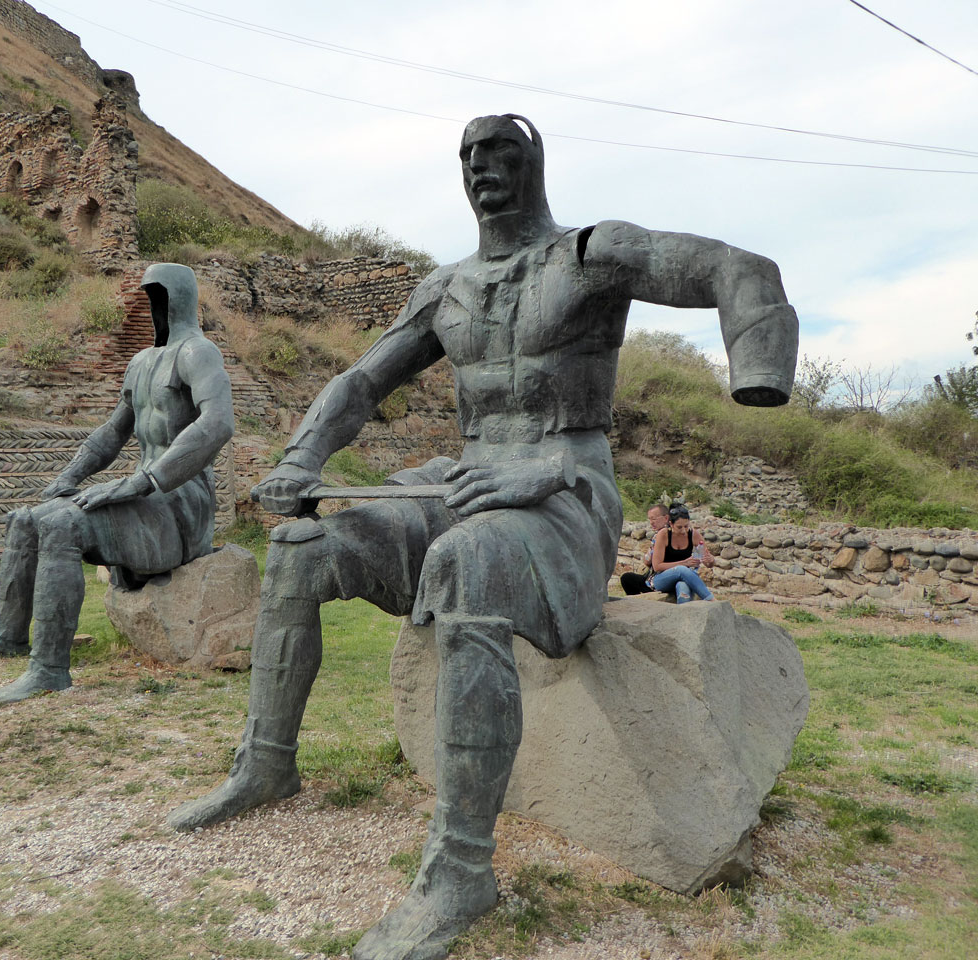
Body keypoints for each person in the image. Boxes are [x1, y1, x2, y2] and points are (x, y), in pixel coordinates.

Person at [169, 113, 798, 960]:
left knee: (466, 564)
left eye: (499, 152)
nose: (479, 168)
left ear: (533, 163)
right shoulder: (448, 289)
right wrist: (302, 455)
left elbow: (737, 268)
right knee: (301, 550)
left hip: (566, 493)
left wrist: (757, 370)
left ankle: (460, 870)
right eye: (467, 156)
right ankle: (265, 764)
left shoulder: (589, 255)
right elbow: (362, 381)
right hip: (463, 480)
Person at [0, 263, 234, 703]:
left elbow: (218, 424)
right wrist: (68, 477)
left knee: (63, 526)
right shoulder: (142, 361)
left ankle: (49, 669)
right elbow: (112, 431)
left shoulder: (199, 353)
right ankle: (8, 638)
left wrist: (142, 481)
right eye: (148, 297)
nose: (151, 306)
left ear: (176, 300)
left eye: (157, 296)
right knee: (25, 520)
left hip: (179, 505)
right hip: (146, 493)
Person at [649, 503, 715, 602]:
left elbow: (706, 562)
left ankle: (685, 614)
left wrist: (711, 560)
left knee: (683, 586)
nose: (684, 530)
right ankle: (711, 599)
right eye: (679, 527)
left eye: (686, 526)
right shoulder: (663, 535)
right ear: (671, 524)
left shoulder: (693, 535)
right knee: (681, 569)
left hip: (685, 577)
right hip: (661, 578)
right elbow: (657, 566)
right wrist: (684, 563)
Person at [619, 502, 667, 595]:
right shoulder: (678, 532)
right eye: (649, 519)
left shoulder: (659, 536)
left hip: (658, 580)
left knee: (626, 579)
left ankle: (636, 605)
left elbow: (647, 560)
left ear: (666, 518)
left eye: (654, 519)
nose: (651, 522)